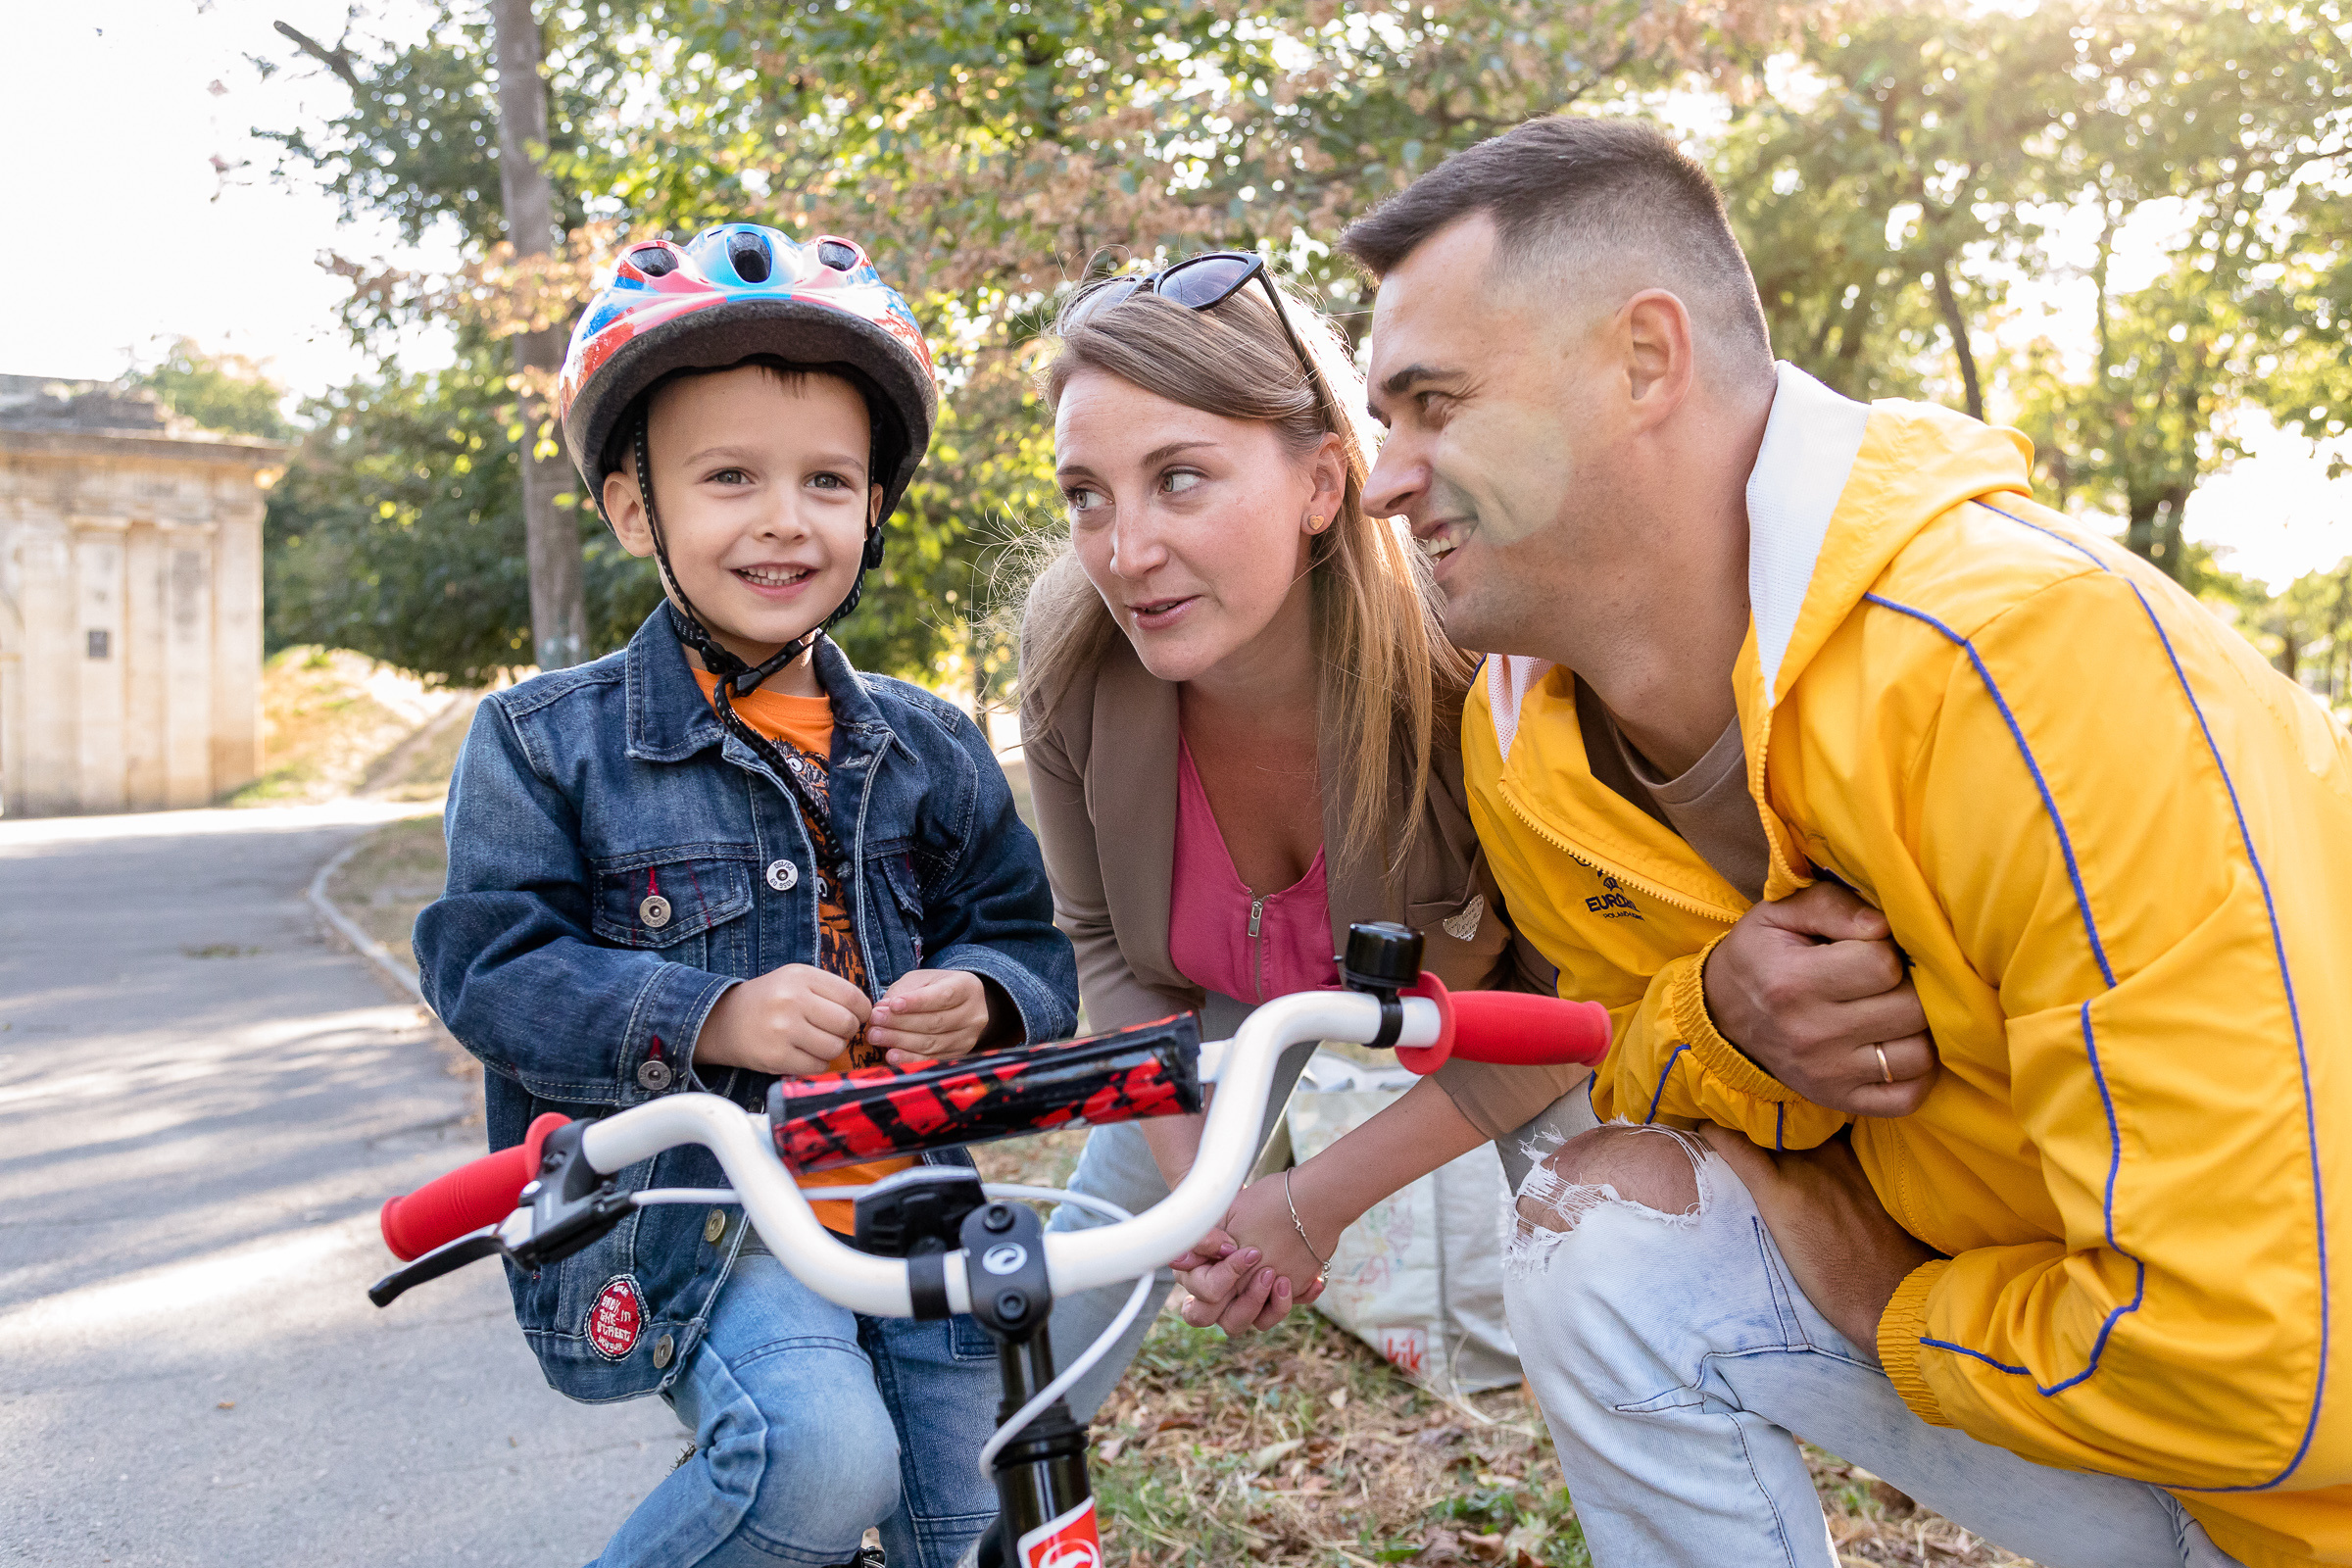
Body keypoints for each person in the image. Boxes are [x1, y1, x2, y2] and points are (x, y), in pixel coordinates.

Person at [1336, 116, 2352, 1568]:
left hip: (2299, 1466)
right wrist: (1728, 1021)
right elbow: (1610, 1051)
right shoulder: (1526, 740)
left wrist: (1895, 1310)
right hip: (2095, 1405)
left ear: (1644, 361)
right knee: (1599, 1239)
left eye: (1431, 404)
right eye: (1383, 421)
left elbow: (2277, 1373)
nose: (1385, 477)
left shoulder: (2036, 665)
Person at [414, 223, 1078, 1568]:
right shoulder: (547, 742)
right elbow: (489, 968)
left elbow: (1026, 943)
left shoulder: (927, 743)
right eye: (729, 478)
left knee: (985, 1522)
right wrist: (705, 1010)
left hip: (916, 1211)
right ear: (633, 509)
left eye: (829, 480)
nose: (786, 517)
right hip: (709, 1233)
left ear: (874, 508)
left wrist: (984, 998)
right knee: (819, 1464)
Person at [1017, 252, 1590, 1415]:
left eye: (1180, 479)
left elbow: (1574, 1006)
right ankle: (969, 1514)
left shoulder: (1473, 671)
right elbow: (1107, 951)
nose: (1124, 552)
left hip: (1514, 1031)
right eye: (1087, 493)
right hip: (1216, 1002)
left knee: (1607, 1255)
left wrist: (1309, 1200)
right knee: (1102, 1230)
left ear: (1324, 481)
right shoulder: (1075, 661)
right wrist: (1205, 1204)